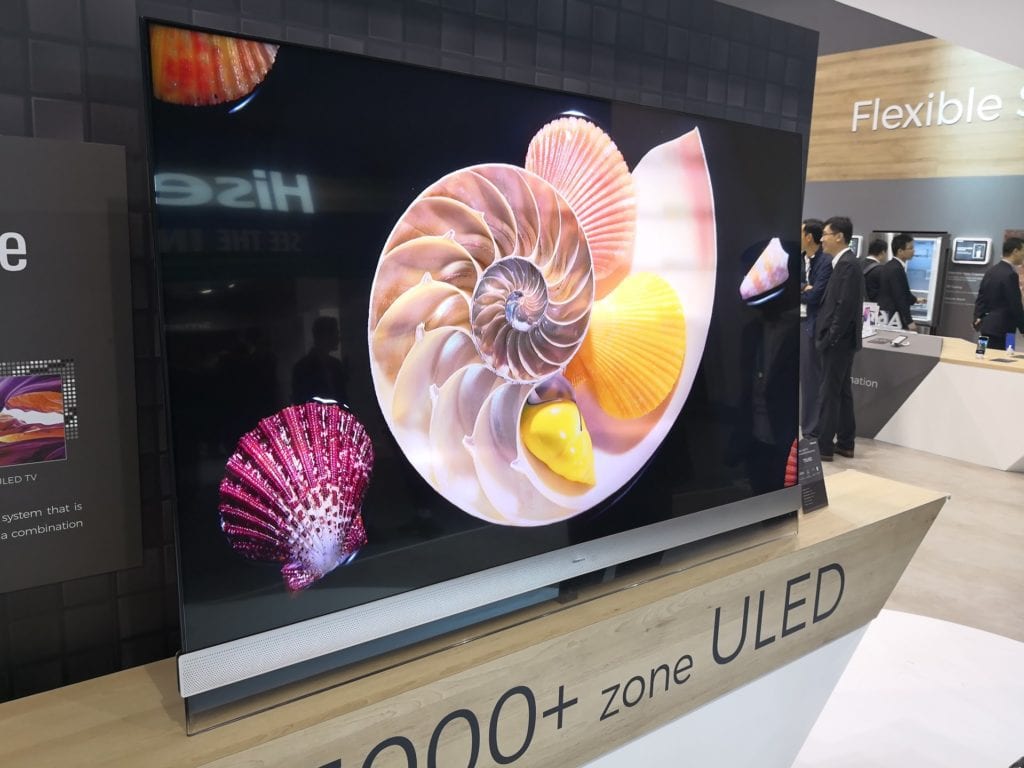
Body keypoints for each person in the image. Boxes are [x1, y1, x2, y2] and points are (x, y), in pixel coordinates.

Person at [809, 216, 863, 461]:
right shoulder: (842, 264)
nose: (822, 239)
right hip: (839, 341)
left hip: (838, 342)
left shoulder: (848, 265)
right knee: (841, 391)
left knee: (829, 393)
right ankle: (845, 443)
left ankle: (824, 447)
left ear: (839, 236)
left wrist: (830, 337)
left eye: (826, 234)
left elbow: (845, 307)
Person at [799, 218, 832, 435]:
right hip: (796, 322)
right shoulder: (800, 259)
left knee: (811, 379)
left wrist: (804, 291)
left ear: (809, 237)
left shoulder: (826, 261)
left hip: (812, 325)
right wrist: (804, 287)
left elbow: (816, 296)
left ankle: (811, 430)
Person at [973, 237, 1024, 350]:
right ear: (1015, 251)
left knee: (981, 354)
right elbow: (1015, 304)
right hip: (1003, 330)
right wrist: (1022, 327)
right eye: (1023, 252)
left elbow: (981, 298)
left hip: (985, 327)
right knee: (1003, 358)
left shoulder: (991, 271)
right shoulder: (1010, 274)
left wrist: (977, 317)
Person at [292, 315, 350, 406]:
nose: (338, 338)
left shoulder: (335, 365)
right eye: (335, 333)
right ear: (325, 336)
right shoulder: (303, 368)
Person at [877, 233, 918, 331]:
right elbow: (899, 296)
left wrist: (915, 300)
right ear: (900, 251)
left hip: (886, 315)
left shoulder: (890, 265)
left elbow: (902, 292)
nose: (913, 251)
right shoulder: (896, 269)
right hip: (893, 317)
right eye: (910, 248)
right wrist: (909, 321)